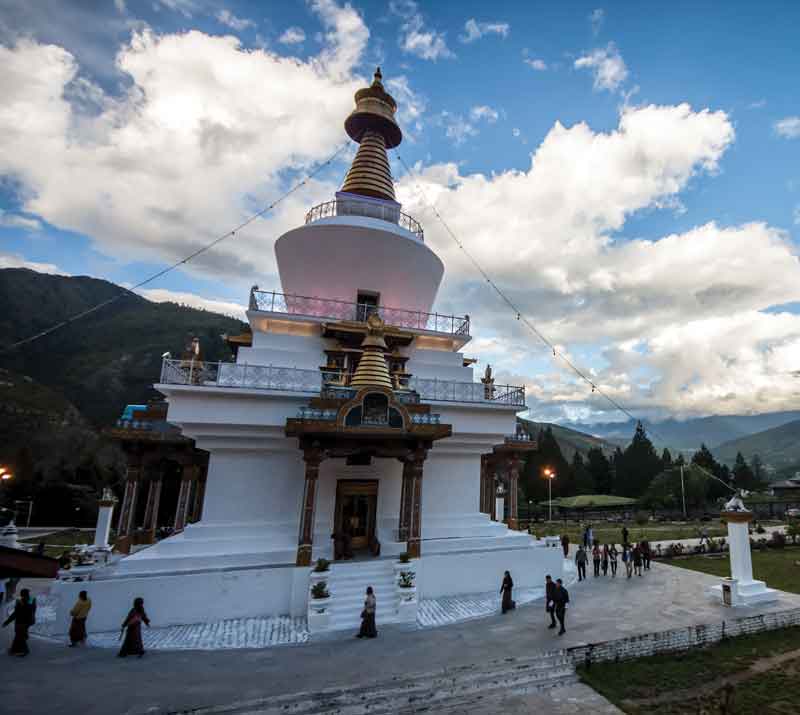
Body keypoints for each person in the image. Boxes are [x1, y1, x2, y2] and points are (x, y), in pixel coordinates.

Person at [3, 588, 36, 657]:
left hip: (20, 623)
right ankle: (14, 649)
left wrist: (7, 622)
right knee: (19, 636)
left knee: (20, 637)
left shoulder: (20, 603)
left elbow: (15, 614)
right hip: (27, 622)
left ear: (22, 595)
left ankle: (24, 651)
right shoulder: (31, 602)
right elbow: (33, 610)